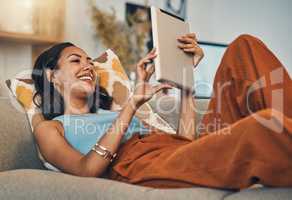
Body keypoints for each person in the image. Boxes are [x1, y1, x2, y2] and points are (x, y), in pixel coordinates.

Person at [32, 33, 292, 190]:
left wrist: (186, 79)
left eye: (90, 61)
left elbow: (185, 145)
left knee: (244, 47)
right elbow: (87, 170)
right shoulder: (51, 127)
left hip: (173, 153)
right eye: (76, 60)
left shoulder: (111, 112)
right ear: (52, 76)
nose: (88, 66)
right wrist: (131, 105)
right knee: (262, 128)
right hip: (137, 165)